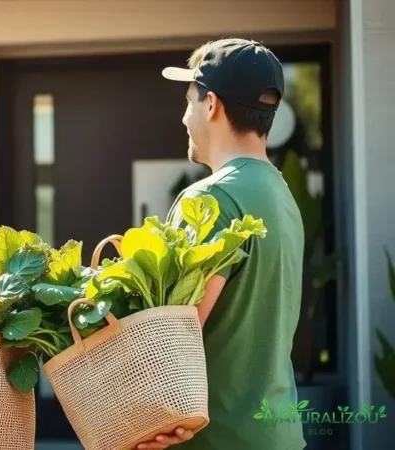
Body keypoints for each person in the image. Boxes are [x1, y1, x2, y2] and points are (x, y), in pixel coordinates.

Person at [160, 38, 306, 449]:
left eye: (190, 101)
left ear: (211, 105)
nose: (185, 117)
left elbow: (174, 340)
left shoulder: (211, 199)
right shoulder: (281, 194)